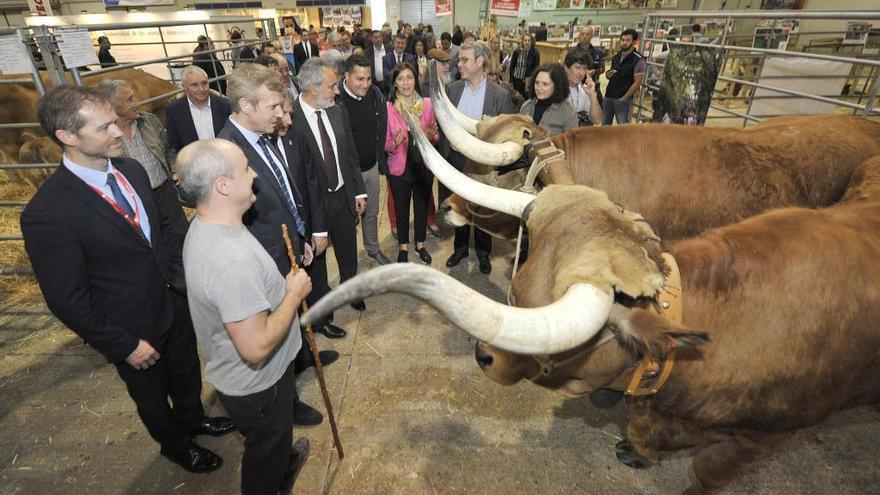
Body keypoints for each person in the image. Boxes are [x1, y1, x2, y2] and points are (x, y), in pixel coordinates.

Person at [21, 85, 234, 475]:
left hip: (173, 303)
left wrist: (185, 279)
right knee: (152, 399)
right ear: (67, 137)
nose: (120, 132)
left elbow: (163, 232)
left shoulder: (132, 171)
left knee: (187, 372)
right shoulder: (48, 212)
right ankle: (176, 446)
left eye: (116, 123)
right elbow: (67, 299)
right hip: (132, 331)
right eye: (105, 128)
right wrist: (123, 345)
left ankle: (193, 419)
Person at [177, 139, 312, 495]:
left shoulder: (212, 224)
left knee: (276, 441)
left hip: (259, 380)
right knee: (265, 451)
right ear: (222, 186)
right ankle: (273, 479)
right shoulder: (229, 258)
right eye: (245, 169)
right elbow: (256, 347)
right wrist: (294, 294)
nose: (254, 175)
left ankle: (283, 462)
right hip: (259, 386)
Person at [216, 64, 337, 422]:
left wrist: (301, 236)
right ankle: (287, 403)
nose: (283, 114)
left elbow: (287, 194)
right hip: (264, 263)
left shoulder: (261, 138)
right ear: (245, 105)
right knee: (275, 336)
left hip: (287, 248)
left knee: (291, 326)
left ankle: (301, 359)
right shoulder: (228, 152)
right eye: (274, 107)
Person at [293, 57, 368, 328]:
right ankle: (323, 314)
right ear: (313, 88)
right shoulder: (291, 120)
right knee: (318, 263)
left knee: (348, 251)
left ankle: (351, 292)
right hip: (313, 207)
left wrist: (359, 191)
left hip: (343, 196)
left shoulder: (338, 111)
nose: (337, 92)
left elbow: (350, 154)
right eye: (332, 86)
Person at [444, 41, 514, 275]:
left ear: (479, 62)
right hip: (455, 160)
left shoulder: (500, 95)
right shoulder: (452, 90)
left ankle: (484, 253)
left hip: (484, 166)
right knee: (459, 206)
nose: (459, 64)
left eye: (464, 60)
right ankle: (460, 248)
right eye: (459, 60)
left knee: (484, 208)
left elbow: (506, 134)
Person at [95, 79, 189, 237]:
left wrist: (174, 169)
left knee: (180, 235)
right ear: (111, 106)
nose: (137, 102)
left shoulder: (149, 121)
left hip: (164, 193)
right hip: (134, 201)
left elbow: (168, 148)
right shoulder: (104, 137)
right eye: (129, 100)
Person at [336, 55, 392, 266]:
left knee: (371, 213)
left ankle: (373, 248)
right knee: (349, 219)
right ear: (347, 76)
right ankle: (349, 262)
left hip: (370, 167)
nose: (365, 84)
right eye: (360, 79)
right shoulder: (335, 100)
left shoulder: (374, 94)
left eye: (368, 78)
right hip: (347, 173)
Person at [384, 63, 439, 264]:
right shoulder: (389, 108)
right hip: (399, 165)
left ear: (416, 80)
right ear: (395, 83)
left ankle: (420, 245)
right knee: (401, 207)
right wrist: (394, 143)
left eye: (409, 77)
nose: (405, 83)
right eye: (401, 79)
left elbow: (436, 135)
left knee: (422, 206)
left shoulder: (427, 104)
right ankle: (403, 247)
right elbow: (385, 143)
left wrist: (432, 137)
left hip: (423, 164)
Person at [165, 65, 233, 154]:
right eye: (194, 85)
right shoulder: (173, 110)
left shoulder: (225, 105)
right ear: (184, 87)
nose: (201, 89)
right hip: (193, 163)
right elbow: (175, 145)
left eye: (204, 83)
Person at [519, 64, 578, 136]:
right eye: (537, 83)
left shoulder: (568, 112)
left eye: (545, 84)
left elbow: (571, 143)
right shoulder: (526, 106)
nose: (539, 88)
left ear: (557, 86)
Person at [603, 28, 645, 125]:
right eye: (623, 40)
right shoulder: (616, 56)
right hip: (609, 96)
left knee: (623, 128)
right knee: (605, 127)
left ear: (634, 42)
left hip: (623, 99)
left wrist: (624, 98)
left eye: (628, 40)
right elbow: (612, 74)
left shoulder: (638, 59)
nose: (624, 43)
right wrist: (608, 75)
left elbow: (637, 82)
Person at [568, 25, 605, 105]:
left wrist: (595, 71)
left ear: (591, 36)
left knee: (597, 113)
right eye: (582, 34)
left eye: (587, 34)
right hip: (575, 88)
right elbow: (566, 68)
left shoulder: (598, 52)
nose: (584, 36)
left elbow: (602, 68)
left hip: (593, 88)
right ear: (579, 36)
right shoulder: (571, 52)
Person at [564, 52, 602, 126]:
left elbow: (597, 120)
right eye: (577, 68)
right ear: (566, 68)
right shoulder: (556, 88)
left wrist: (592, 95)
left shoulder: (584, 89)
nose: (581, 73)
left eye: (584, 68)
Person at [509, 34, 540, 100]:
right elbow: (512, 66)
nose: (527, 42)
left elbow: (536, 68)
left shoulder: (535, 53)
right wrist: (511, 78)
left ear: (532, 42)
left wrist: (533, 80)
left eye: (529, 40)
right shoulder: (517, 52)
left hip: (528, 81)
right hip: (517, 79)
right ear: (522, 41)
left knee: (527, 99)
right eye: (525, 40)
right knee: (516, 99)